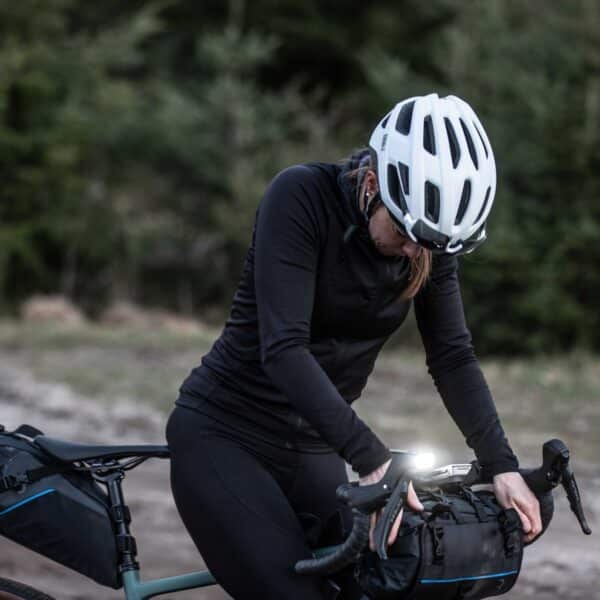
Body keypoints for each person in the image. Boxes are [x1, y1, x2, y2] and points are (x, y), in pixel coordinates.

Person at [166, 93, 542, 600]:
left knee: (389, 583)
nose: (415, 251)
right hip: (226, 435)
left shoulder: (426, 240)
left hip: (314, 447)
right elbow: (283, 349)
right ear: (371, 184)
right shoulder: (300, 196)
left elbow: (452, 356)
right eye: (406, 232)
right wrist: (374, 458)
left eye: (428, 243)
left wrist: (502, 464)